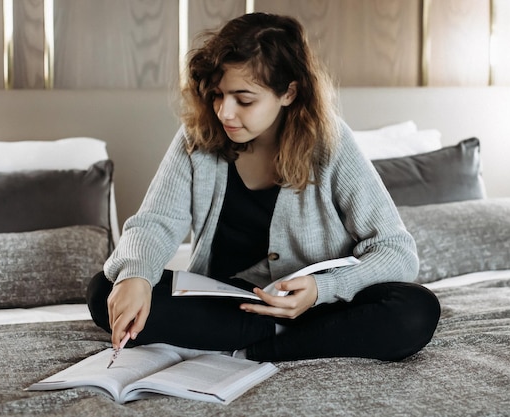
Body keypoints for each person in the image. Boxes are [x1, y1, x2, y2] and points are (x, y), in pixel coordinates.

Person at [87, 12, 440, 362]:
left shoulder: (331, 142)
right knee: (106, 288)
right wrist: (135, 275)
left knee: (415, 309)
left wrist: (323, 289)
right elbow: (155, 224)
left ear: (288, 92)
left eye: (244, 99)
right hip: (230, 303)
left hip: (319, 305)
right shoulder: (198, 139)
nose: (225, 112)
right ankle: (291, 339)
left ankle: (263, 348)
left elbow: (396, 250)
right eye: (217, 95)